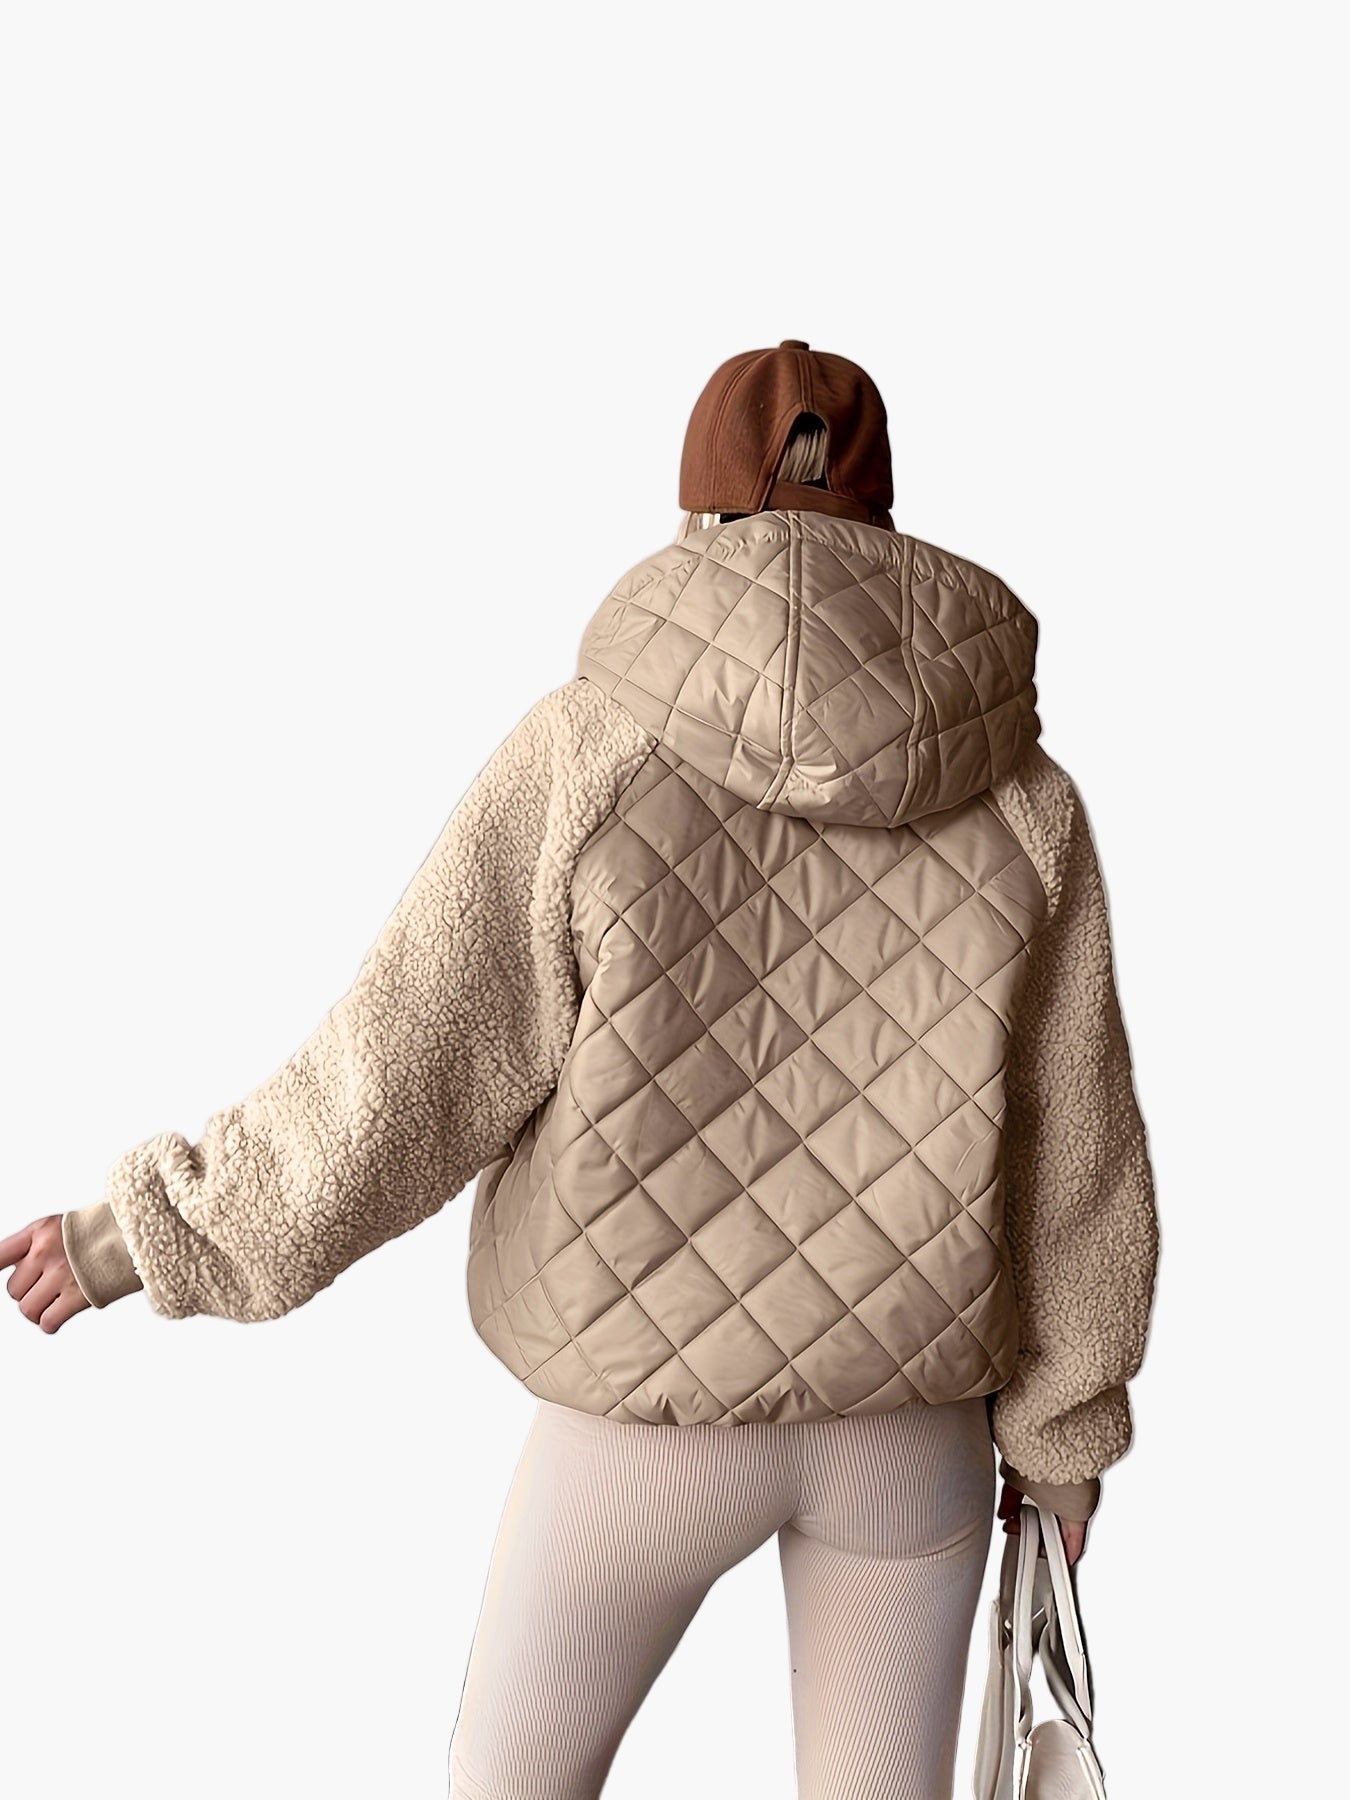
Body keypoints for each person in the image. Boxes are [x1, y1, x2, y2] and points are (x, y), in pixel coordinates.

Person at [2, 340, 1160, 1800]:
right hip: (907, 1426)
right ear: (884, 520)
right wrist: (1063, 1447)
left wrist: (141, 1236)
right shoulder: (1026, 798)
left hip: (642, 1419)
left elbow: (401, 1074)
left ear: (698, 514)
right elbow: (1080, 1160)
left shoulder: (588, 750)